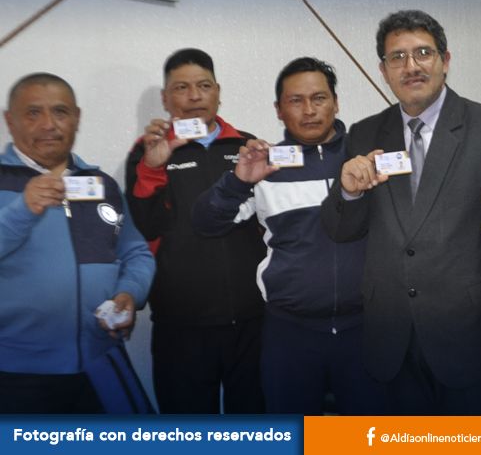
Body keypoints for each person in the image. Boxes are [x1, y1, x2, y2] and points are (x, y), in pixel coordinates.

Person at [320, 10, 481, 415]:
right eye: (397, 57)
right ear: (384, 71)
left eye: (423, 53)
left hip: (471, 333)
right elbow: (342, 230)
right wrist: (349, 192)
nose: (411, 66)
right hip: (391, 336)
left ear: (445, 61)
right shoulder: (365, 134)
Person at [192, 57, 384, 415]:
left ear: (336, 103)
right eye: (295, 101)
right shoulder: (266, 165)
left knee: (369, 437)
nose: (309, 110)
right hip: (290, 333)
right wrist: (238, 181)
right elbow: (205, 223)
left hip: (365, 329)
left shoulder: (367, 160)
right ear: (279, 111)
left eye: (319, 98)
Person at [0, 73, 155, 413]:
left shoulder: (101, 184)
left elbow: (137, 253)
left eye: (60, 111)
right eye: (33, 112)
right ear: (10, 121)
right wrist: (22, 210)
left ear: (77, 118)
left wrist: (129, 293)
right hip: (15, 375)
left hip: (101, 362)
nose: (48, 124)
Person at [124, 48, 266, 414]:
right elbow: (143, 229)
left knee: (257, 429)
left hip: (254, 320)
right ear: (165, 98)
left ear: (218, 92)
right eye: (181, 87)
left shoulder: (247, 145)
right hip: (181, 326)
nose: (194, 96)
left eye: (203, 85)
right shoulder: (147, 152)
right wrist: (152, 167)